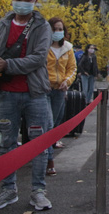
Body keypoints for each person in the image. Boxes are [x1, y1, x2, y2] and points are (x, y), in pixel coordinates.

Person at [0, 0, 53, 211]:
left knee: (39, 144)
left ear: (35, 1)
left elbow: (38, 58)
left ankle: (38, 191)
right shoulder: (2, 24)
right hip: (6, 94)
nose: (22, 4)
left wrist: (7, 64)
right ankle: (8, 190)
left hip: (35, 94)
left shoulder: (42, 26)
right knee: (5, 144)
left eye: (27, 0)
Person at [46, 17, 77, 176]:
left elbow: (72, 69)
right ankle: (48, 160)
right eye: (54, 29)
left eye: (60, 29)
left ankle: (45, 155)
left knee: (55, 124)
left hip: (59, 91)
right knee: (47, 124)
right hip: (43, 90)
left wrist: (67, 81)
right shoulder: (42, 46)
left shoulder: (68, 48)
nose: (57, 32)